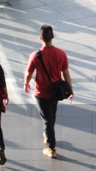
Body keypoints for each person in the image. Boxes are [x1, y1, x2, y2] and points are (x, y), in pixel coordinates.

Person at [24, 25, 73, 158]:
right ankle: (48, 135)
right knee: (51, 116)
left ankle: (51, 147)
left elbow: (29, 72)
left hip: (41, 92)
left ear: (40, 38)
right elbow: (66, 73)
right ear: (53, 37)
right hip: (56, 92)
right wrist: (70, 89)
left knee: (47, 120)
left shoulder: (35, 55)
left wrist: (26, 83)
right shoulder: (61, 54)